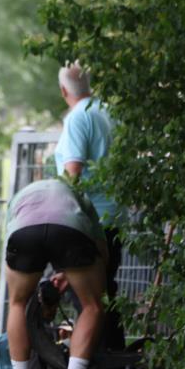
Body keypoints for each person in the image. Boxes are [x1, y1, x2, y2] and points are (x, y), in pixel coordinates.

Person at [4, 176, 115, 369]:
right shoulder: (78, 196)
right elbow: (101, 248)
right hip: (69, 229)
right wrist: (90, 279)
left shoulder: (19, 197)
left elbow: (10, 238)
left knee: (17, 303)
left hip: (24, 232)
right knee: (92, 306)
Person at [53, 60, 127, 352]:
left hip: (87, 220)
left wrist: (63, 214)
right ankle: (114, 361)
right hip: (114, 217)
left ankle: (91, 364)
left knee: (85, 298)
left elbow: (73, 172)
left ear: (63, 90)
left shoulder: (77, 118)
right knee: (105, 293)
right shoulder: (110, 113)